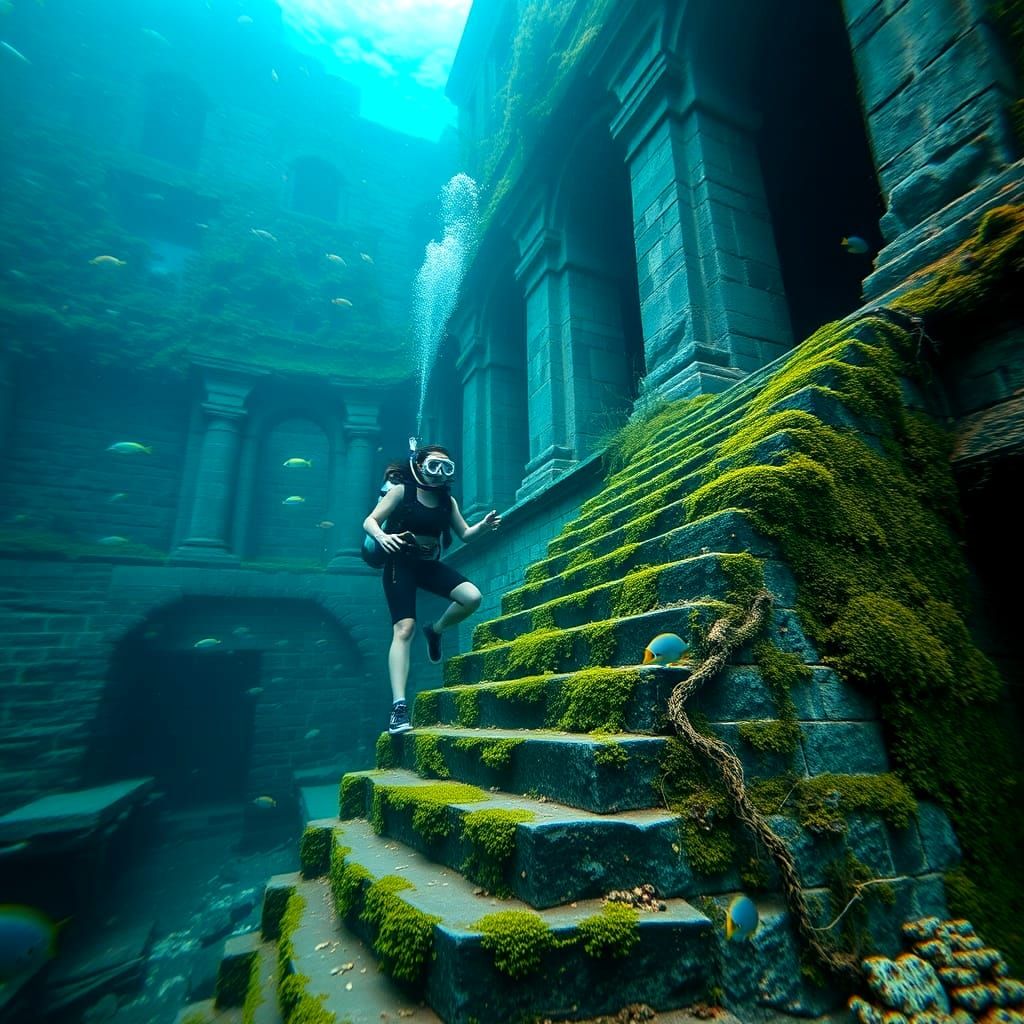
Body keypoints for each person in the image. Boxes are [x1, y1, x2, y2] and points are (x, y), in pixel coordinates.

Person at [363, 444, 501, 734]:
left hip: (428, 565)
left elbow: (465, 534)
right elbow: (370, 520)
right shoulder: (401, 492)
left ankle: (435, 630)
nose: (440, 473)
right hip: (400, 564)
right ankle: (399, 707)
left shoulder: (447, 501)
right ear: (419, 466)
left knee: (472, 597)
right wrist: (382, 537)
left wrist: (484, 526)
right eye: (434, 465)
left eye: (446, 467)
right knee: (404, 629)